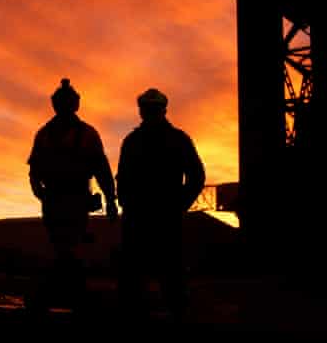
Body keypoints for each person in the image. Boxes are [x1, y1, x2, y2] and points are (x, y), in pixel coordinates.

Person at [27, 78, 118, 310]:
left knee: (70, 246)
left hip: (74, 199)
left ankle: (70, 291)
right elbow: (34, 171)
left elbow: (101, 169)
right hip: (56, 199)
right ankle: (69, 291)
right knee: (62, 246)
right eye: (62, 102)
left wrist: (110, 199)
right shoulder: (45, 135)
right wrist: (43, 195)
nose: (65, 106)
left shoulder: (85, 134)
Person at [116, 87, 206, 320]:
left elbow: (196, 176)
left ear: (162, 110)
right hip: (148, 216)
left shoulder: (139, 141)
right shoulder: (166, 140)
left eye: (152, 109)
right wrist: (179, 205)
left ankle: (171, 313)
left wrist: (179, 205)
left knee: (167, 272)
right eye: (147, 109)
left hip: (156, 217)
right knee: (143, 274)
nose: (149, 113)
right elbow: (123, 178)